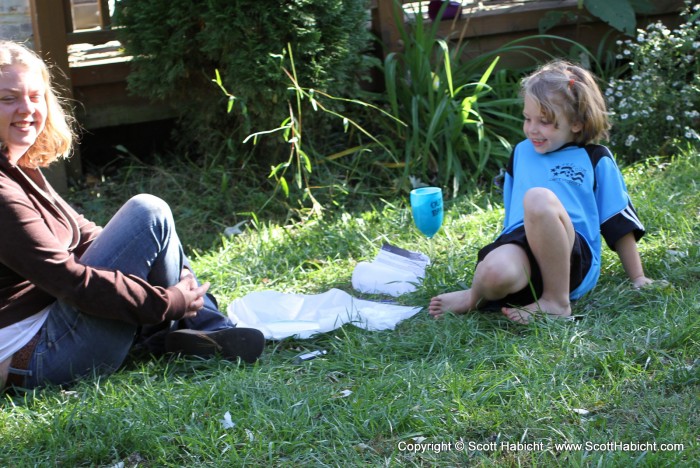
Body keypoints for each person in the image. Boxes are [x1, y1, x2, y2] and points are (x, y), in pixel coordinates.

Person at [0, 40, 264, 392]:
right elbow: (69, 280)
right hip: (39, 359)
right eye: (8, 98)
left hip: (56, 332)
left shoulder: (17, 164)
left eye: (36, 96)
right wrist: (170, 301)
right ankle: (194, 327)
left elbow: (83, 234)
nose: (28, 109)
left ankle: (196, 329)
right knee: (148, 211)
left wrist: (171, 258)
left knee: (151, 223)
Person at [429, 59, 655, 324]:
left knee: (538, 198)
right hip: (523, 245)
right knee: (492, 273)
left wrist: (638, 278)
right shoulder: (521, 152)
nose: (532, 129)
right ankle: (474, 297)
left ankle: (556, 302)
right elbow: (513, 215)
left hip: (572, 256)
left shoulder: (595, 158)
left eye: (545, 121)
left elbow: (619, 223)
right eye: (527, 118)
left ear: (577, 123)